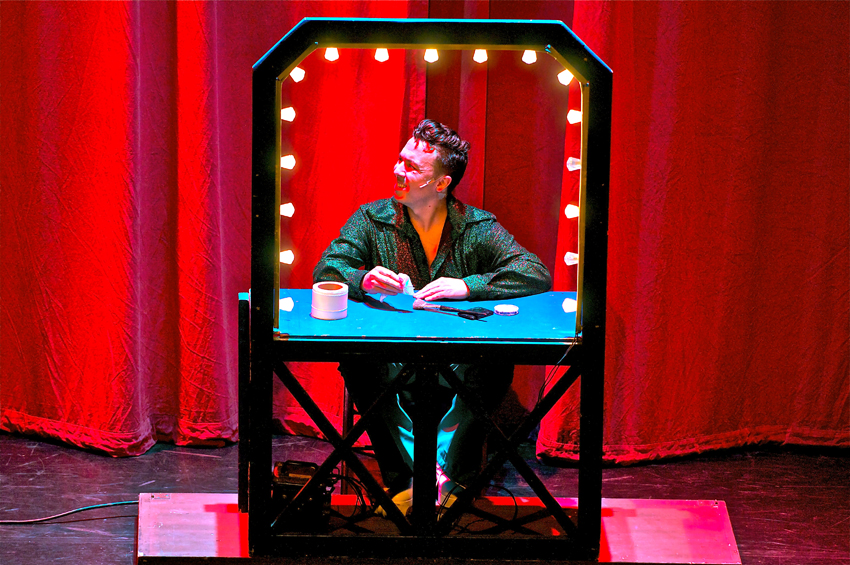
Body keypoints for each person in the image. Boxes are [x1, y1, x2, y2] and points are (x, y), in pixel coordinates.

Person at [313, 119, 551, 515]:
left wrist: (468, 286)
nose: (398, 170)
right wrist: (363, 278)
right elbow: (328, 268)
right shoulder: (371, 219)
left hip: (457, 356)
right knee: (359, 363)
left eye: (411, 167)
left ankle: (446, 478)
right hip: (392, 354)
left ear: (442, 183)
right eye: (400, 160)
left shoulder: (476, 226)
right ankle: (411, 482)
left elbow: (533, 271)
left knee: (493, 366)